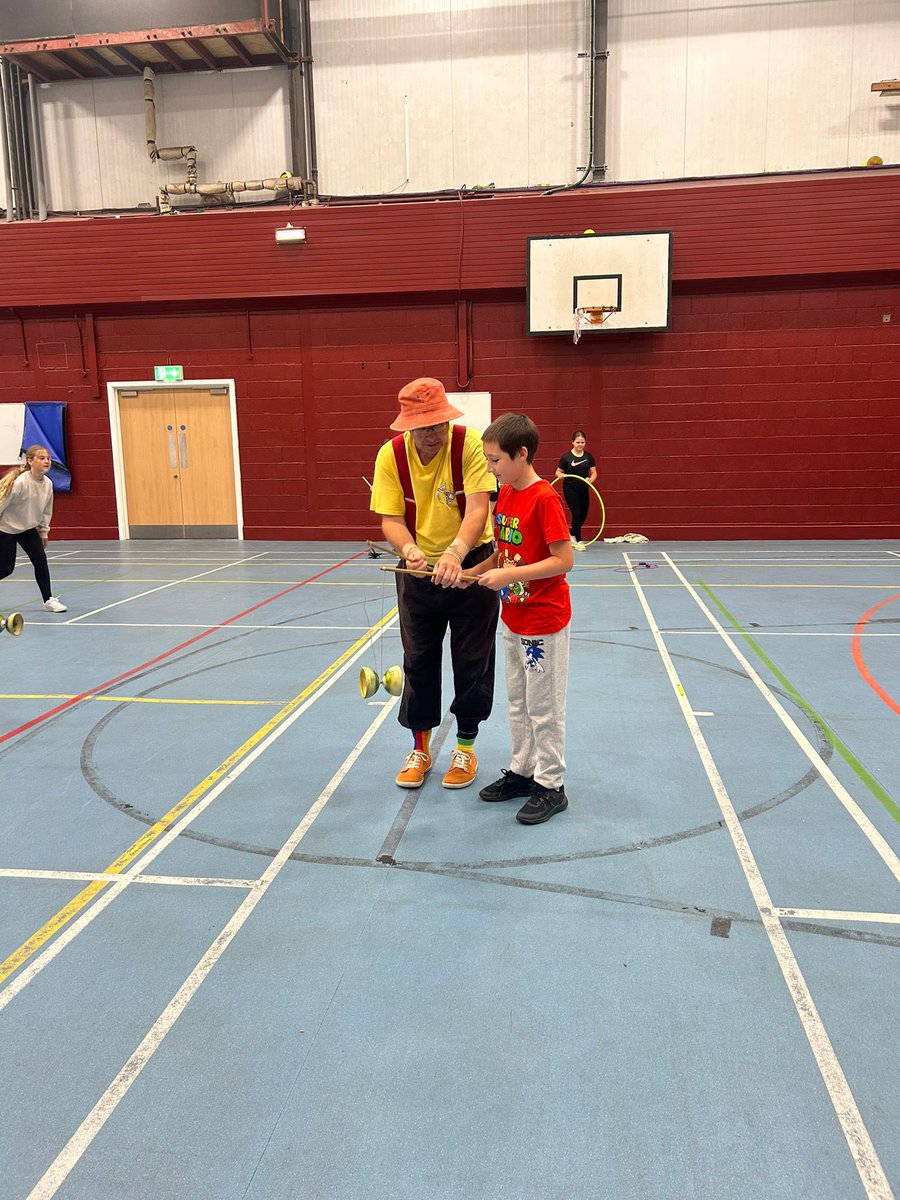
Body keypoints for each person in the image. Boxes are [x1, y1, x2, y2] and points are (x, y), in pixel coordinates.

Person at [370, 378, 499, 790]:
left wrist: (456, 553)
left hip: (472, 567)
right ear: (407, 426)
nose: (433, 434)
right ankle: (420, 749)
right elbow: (390, 520)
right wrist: (409, 550)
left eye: (438, 424)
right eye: (423, 428)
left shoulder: (472, 444)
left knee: (473, 661)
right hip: (419, 571)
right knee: (418, 661)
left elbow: (479, 507)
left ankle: (466, 748)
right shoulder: (390, 456)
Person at [468, 412, 573, 825]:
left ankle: (551, 784)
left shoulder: (545, 498)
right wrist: (475, 573)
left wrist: (508, 575)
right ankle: (523, 771)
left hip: (543, 623)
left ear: (522, 453)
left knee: (544, 707)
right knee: (518, 703)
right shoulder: (506, 494)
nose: (490, 468)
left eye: (495, 460)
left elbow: (562, 560)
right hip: (512, 617)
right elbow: (504, 551)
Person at [0, 445, 67, 613]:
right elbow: (1, 504)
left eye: (48, 458)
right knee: (7, 568)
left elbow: (46, 510)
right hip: (6, 529)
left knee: (40, 561)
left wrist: (44, 532)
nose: (46, 461)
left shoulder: (48, 484)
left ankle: (48, 600)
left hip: (28, 529)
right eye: (41, 458)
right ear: (30, 461)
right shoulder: (20, 483)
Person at [556, 430, 597, 551]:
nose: (580, 445)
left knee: (584, 514)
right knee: (577, 513)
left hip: (583, 488)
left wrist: (591, 479)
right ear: (572, 442)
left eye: (582, 442)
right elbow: (557, 471)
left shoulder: (588, 457)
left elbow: (594, 473)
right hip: (570, 488)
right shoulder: (566, 457)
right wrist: (560, 475)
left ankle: (572, 532)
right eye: (578, 442)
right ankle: (579, 540)